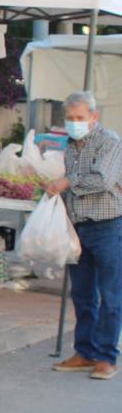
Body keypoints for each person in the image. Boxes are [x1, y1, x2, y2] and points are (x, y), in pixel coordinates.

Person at [49, 91, 122, 381]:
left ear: (94, 118)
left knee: (111, 295)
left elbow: (103, 180)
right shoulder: (71, 146)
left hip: (108, 226)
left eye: (80, 118)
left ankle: (106, 357)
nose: (75, 123)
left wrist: (67, 181)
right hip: (78, 228)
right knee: (82, 294)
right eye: (70, 118)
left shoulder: (110, 142)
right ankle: (85, 351)